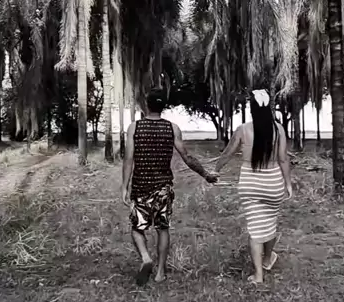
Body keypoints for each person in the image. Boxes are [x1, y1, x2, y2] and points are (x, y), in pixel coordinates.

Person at [122, 88, 218, 285]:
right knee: (162, 228)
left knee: (137, 228)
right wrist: (206, 175)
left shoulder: (134, 128)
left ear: (146, 105)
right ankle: (160, 273)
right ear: (163, 106)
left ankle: (146, 258)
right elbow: (187, 157)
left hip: (140, 186)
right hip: (163, 187)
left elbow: (129, 159)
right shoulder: (172, 128)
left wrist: (124, 186)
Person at [214, 89, 292, 284]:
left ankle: (258, 275)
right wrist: (288, 183)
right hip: (273, 182)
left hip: (250, 183)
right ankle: (268, 258)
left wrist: (215, 170)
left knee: (255, 229)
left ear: (252, 109)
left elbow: (227, 153)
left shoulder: (243, 130)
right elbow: (283, 159)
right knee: (270, 222)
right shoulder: (278, 129)